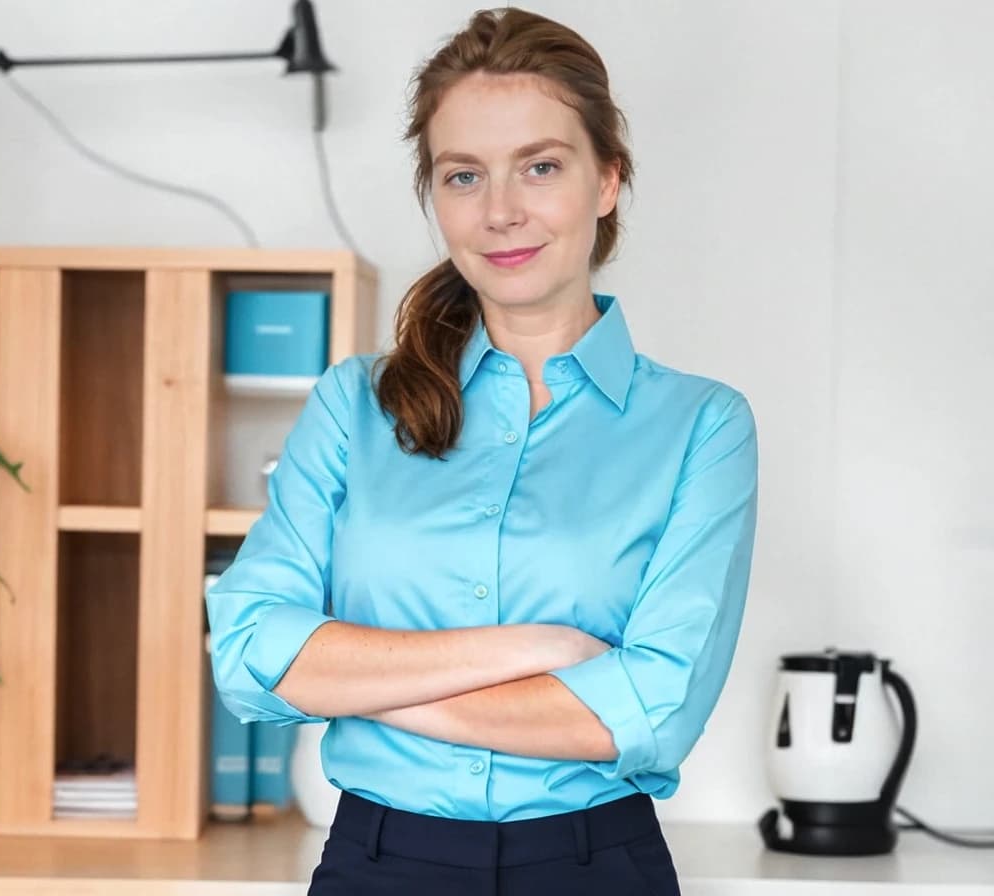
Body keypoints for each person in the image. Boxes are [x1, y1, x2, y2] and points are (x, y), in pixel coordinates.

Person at [206, 7, 759, 894]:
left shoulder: (702, 425)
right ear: (436, 194)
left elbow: (649, 712)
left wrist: (357, 683)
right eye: (465, 176)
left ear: (608, 180)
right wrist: (535, 647)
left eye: (541, 167)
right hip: (376, 866)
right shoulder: (355, 404)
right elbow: (249, 649)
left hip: (594, 869)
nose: (502, 212)